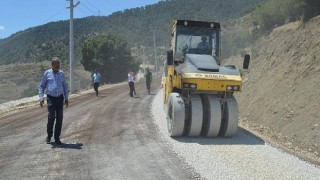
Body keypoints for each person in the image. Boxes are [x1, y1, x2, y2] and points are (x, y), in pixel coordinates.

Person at [39, 57, 69, 145]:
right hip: (51, 98)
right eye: (56, 64)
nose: (58, 66)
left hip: (60, 98)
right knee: (51, 117)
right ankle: (49, 135)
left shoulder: (61, 74)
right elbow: (42, 86)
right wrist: (41, 98)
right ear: (52, 65)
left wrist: (66, 98)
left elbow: (65, 87)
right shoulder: (47, 73)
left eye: (59, 64)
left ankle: (57, 138)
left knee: (59, 118)